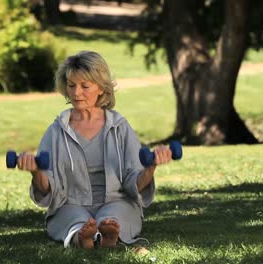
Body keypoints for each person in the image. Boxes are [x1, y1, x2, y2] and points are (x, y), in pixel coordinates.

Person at [17, 50, 172, 249]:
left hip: (116, 201)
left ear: (101, 88)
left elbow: (134, 181)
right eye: (71, 85)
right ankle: (84, 238)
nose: (76, 92)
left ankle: (109, 235)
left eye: (84, 86)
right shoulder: (56, 131)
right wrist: (35, 170)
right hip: (70, 204)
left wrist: (150, 168)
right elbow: (48, 188)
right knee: (75, 222)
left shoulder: (120, 127)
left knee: (113, 218)